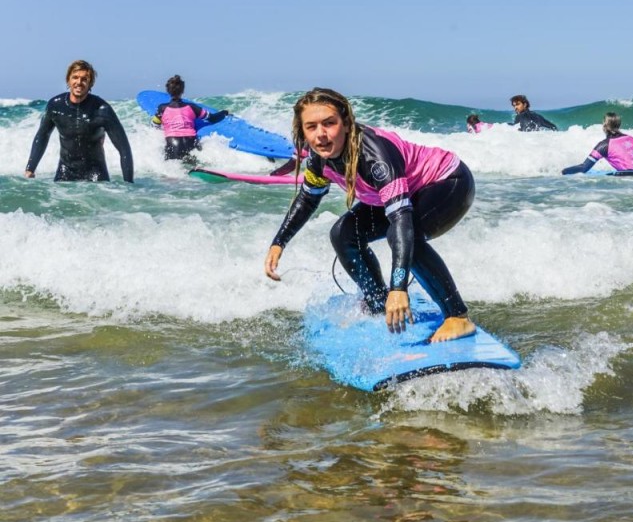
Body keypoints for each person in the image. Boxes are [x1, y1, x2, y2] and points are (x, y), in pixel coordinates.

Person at [264, 87, 476, 343]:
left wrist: (399, 289)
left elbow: (401, 220)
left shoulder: (374, 156)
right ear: (302, 130)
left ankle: (457, 316)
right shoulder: (319, 157)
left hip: (447, 183)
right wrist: (279, 242)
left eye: (329, 123)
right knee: (343, 234)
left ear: (345, 122)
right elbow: (309, 198)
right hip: (406, 194)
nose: (320, 134)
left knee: (408, 237)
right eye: (311, 127)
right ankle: (378, 302)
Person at [24, 59, 134, 182]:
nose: (79, 82)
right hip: (65, 171)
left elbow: (124, 148)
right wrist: (30, 169)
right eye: (75, 77)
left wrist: (129, 185)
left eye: (84, 79)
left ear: (90, 83)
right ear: (68, 80)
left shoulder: (102, 110)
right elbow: (42, 135)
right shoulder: (55, 106)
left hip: (95, 173)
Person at [151, 75, 230, 160]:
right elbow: (213, 118)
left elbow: (154, 125)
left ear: (168, 91)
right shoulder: (192, 108)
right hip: (191, 144)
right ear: (183, 91)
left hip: (173, 144)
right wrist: (224, 112)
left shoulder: (162, 108)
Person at [561, 112, 633, 178]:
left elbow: (583, 168)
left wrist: (563, 172)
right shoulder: (632, 139)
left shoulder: (604, 145)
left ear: (604, 126)